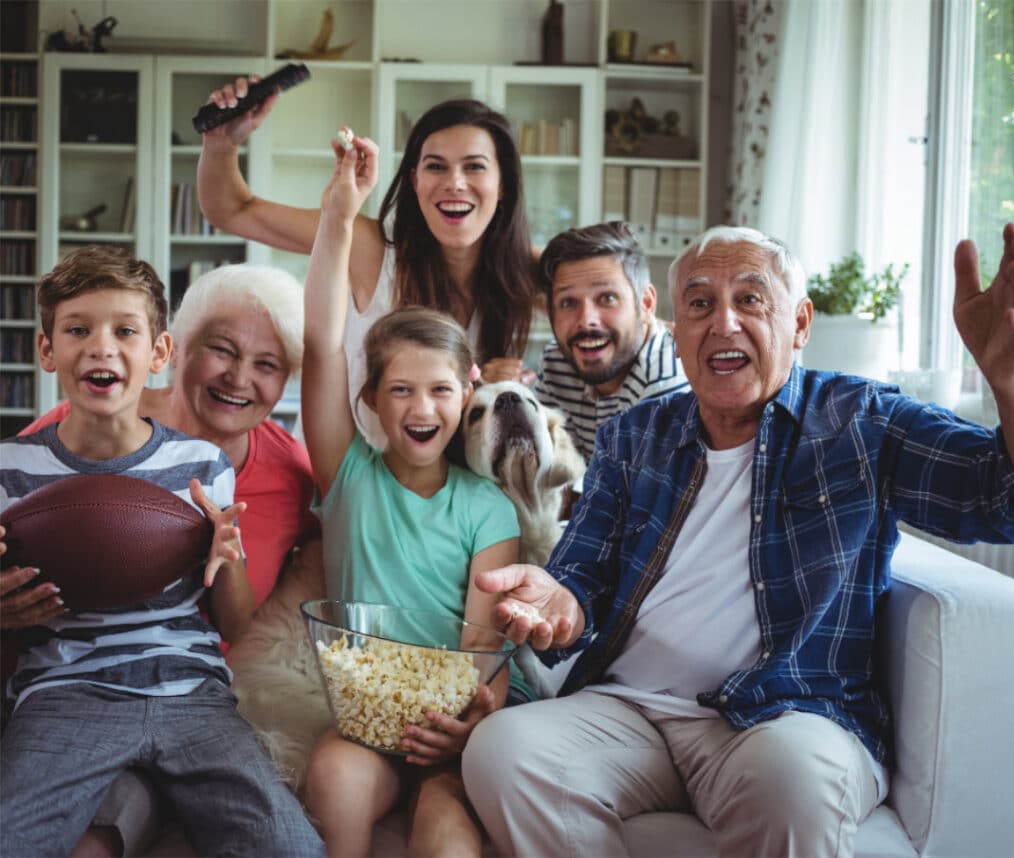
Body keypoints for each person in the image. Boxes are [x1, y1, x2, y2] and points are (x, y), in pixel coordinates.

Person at [461, 223, 1014, 858]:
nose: (723, 322)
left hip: (786, 716)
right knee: (501, 751)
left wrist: (1013, 386)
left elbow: (1002, 500)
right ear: (678, 331)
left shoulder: (861, 421)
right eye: (700, 303)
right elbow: (581, 572)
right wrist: (561, 603)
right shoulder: (634, 435)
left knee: (795, 780)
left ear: (801, 323)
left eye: (751, 299)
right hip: (630, 712)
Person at [0, 245, 325, 857]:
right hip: (67, 691)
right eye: (78, 330)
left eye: (125, 330)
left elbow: (233, 620)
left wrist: (229, 554)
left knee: (291, 847)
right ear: (47, 351)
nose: (101, 347)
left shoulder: (201, 466)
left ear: (158, 352)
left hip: (192, 692)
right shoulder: (11, 468)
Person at [299, 131, 527, 858]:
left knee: (447, 827)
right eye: (399, 390)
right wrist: (341, 211)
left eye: (438, 390)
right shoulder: (350, 474)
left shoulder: (488, 506)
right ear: (369, 399)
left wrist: (466, 723)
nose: (419, 408)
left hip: (453, 725)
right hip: (364, 723)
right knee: (333, 777)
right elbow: (320, 342)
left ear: (469, 395)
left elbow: (482, 644)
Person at [197, 84, 538, 444]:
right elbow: (232, 210)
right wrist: (222, 142)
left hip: (441, 493)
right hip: (339, 482)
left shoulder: (523, 268)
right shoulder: (372, 247)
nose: (454, 183)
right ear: (414, 181)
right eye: (435, 167)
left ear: (503, 184)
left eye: (475, 167)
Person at [534, 220, 689, 461]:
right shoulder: (557, 363)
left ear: (646, 304)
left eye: (607, 298)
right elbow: (552, 475)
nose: (586, 321)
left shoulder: (667, 383)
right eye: (568, 303)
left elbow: (638, 497)